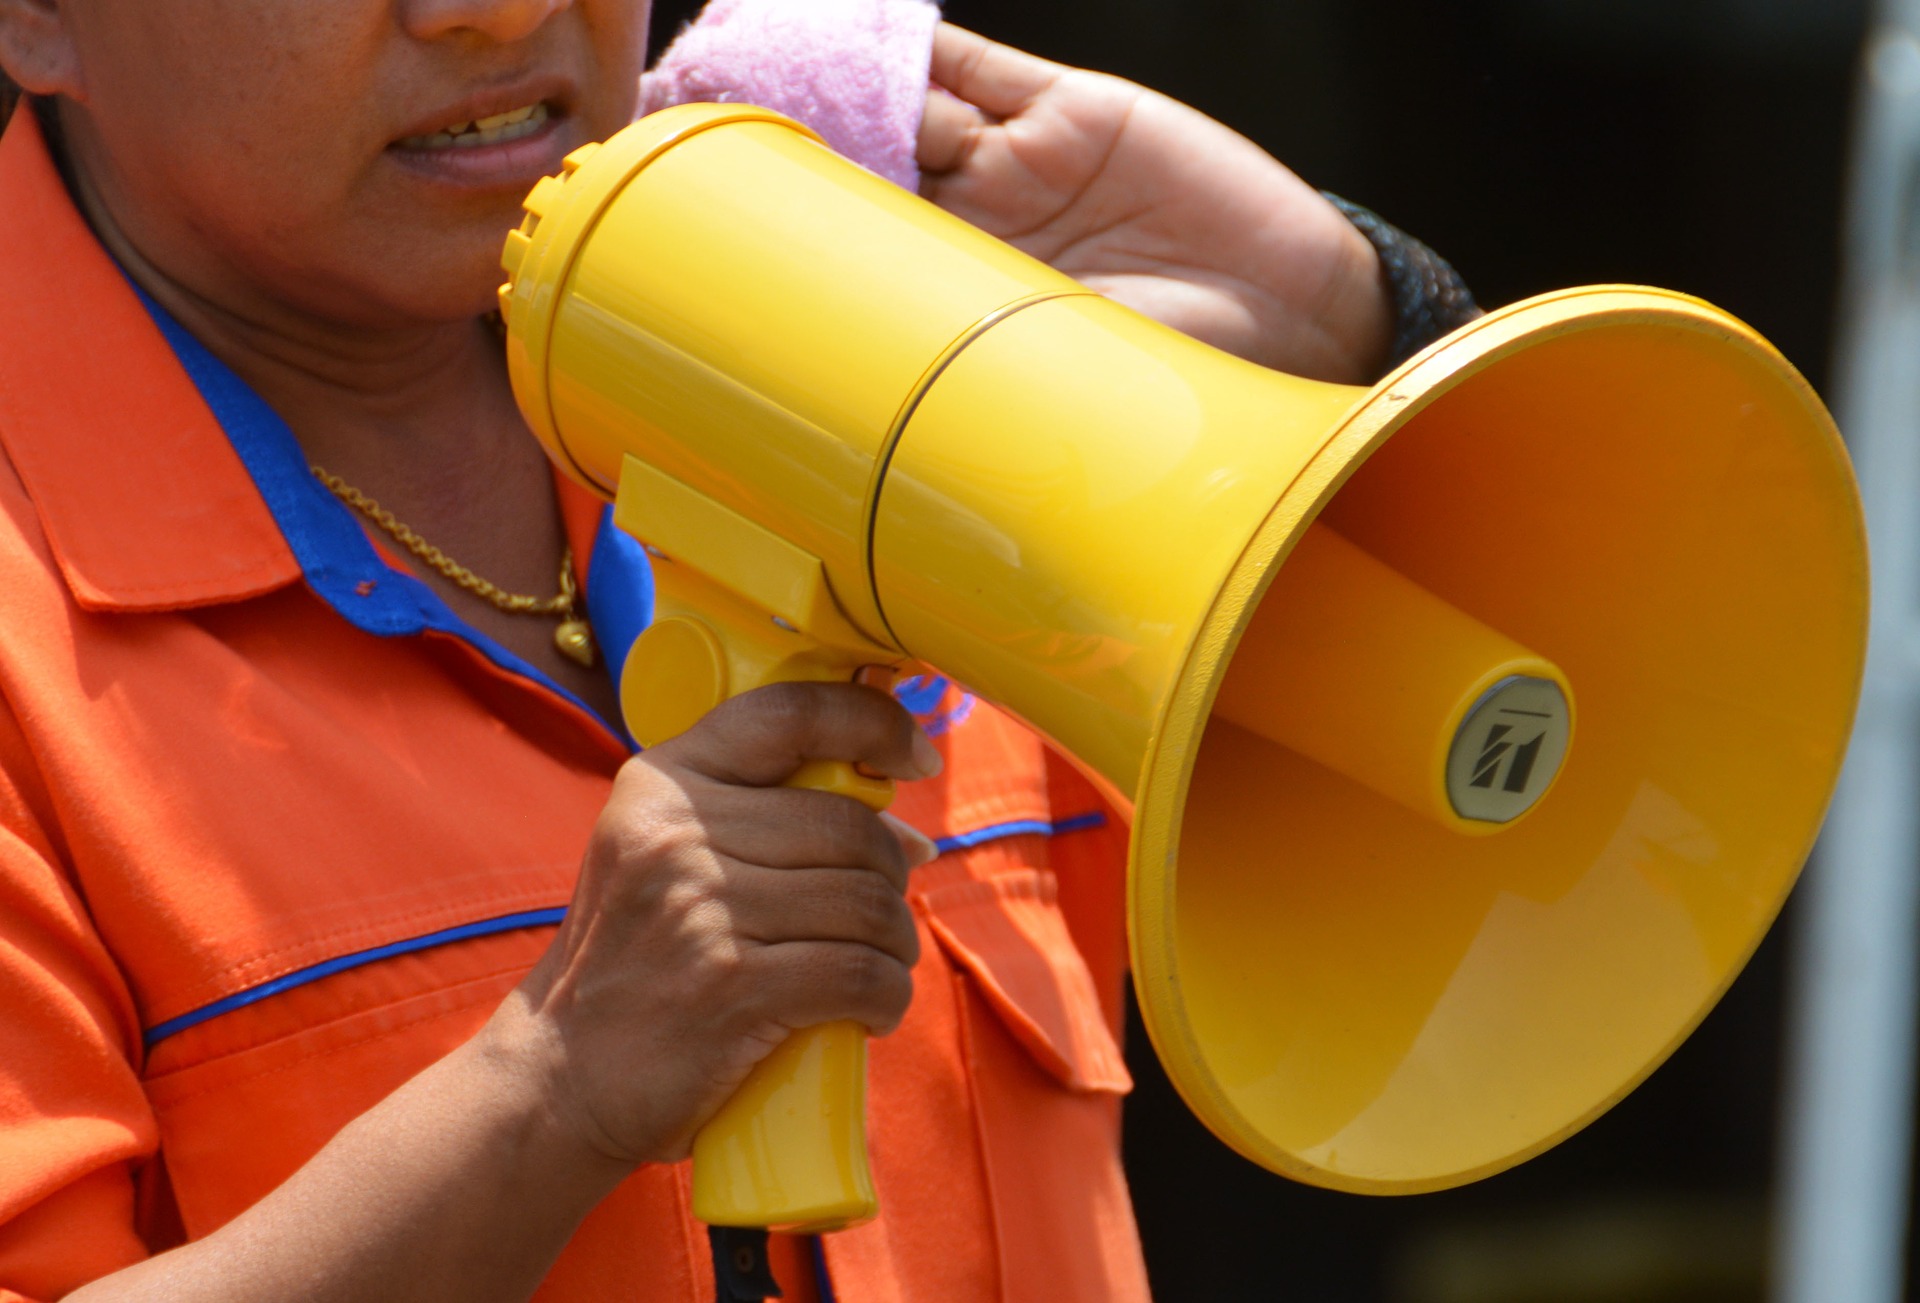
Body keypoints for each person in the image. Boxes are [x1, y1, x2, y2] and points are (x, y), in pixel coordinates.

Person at [0, 2, 1472, 1299]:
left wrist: (1350, 313)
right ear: (37, 16)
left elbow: (1525, 806)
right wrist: (545, 1094)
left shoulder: (893, 342)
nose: (498, 11)